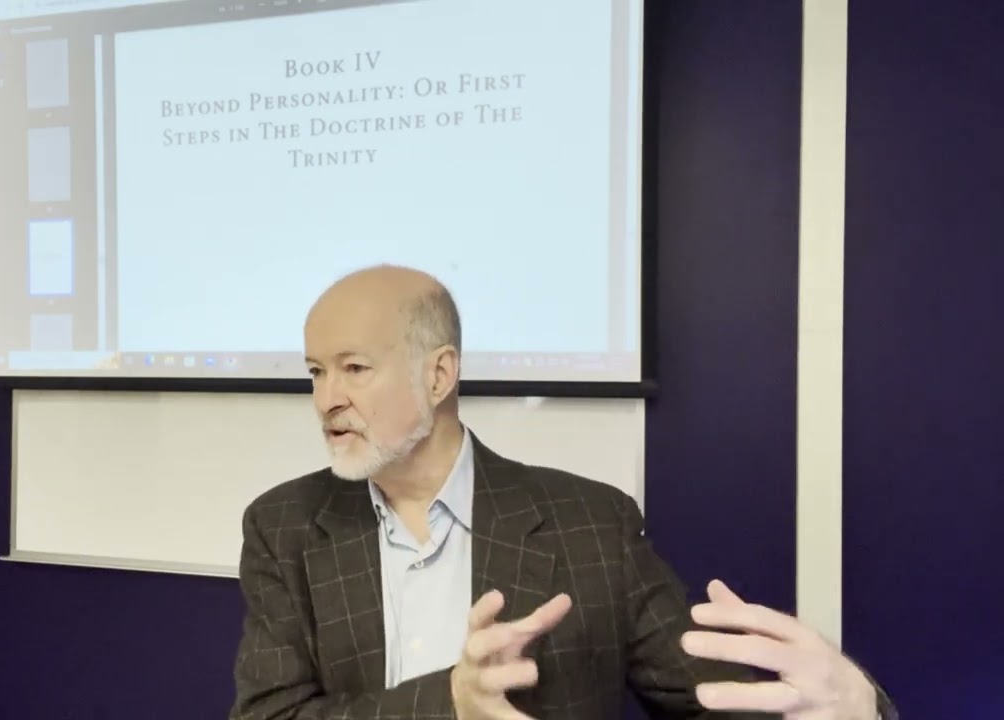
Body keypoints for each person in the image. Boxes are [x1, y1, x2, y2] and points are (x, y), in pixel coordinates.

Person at [229, 265, 896, 720]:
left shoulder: (590, 524)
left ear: (438, 376)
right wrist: (450, 703)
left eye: (353, 368)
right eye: (315, 372)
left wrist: (854, 708)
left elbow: (713, 702)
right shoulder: (284, 526)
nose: (327, 399)